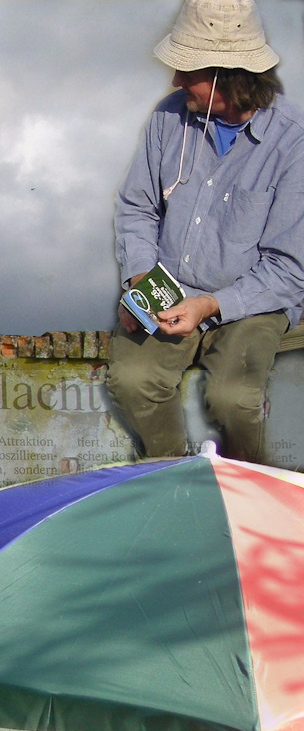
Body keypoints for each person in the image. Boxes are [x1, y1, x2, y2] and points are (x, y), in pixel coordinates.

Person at [106, 0, 304, 463]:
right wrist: (140, 283)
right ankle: (174, 485)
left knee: (233, 398)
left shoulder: (295, 143)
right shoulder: (168, 117)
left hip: (251, 304)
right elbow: (137, 207)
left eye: (187, 69)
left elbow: (289, 269)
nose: (175, 81)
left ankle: (247, 498)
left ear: (228, 77)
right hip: (171, 291)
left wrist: (211, 305)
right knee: (132, 381)